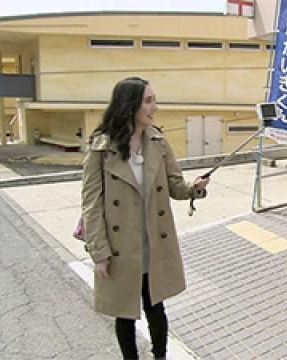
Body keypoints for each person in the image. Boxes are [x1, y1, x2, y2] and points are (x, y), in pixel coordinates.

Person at [81, 77, 209, 359]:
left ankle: (160, 356)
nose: (155, 107)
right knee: (124, 313)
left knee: (156, 308)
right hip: (119, 246)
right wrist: (99, 252)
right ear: (130, 105)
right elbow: (91, 203)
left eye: (154, 100)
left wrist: (194, 188)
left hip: (153, 242)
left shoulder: (158, 141)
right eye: (148, 101)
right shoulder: (101, 147)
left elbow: (175, 185)